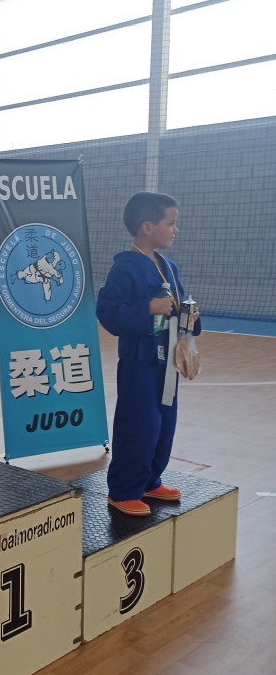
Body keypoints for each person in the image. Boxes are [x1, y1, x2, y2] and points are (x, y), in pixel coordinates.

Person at [96, 192, 200, 517]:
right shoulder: (124, 268)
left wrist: (190, 317)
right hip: (139, 363)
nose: (175, 230)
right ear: (147, 226)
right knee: (138, 424)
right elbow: (109, 314)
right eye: (170, 223)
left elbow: (178, 306)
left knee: (163, 424)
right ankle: (124, 489)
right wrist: (148, 308)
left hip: (168, 362)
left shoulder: (168, 267)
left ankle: (150, 480)